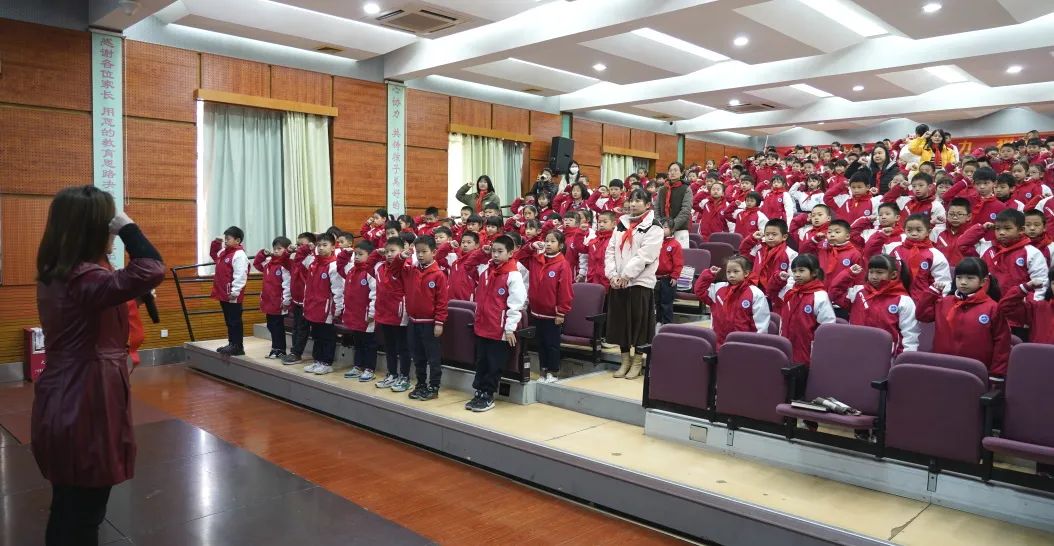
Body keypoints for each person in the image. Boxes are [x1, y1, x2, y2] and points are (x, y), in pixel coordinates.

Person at [34, 186, 164, 545]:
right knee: (83, 511)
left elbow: (91, 310)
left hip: (70, 390)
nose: (111, 231)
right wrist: (129, 229)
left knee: (70, 505)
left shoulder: (64, 271)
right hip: (85, 397)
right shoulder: (85, 277)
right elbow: (152, 267)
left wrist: (130, 297)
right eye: (108, 224)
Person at [915, 258, 1011, 376]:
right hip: (942, 366)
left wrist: (997, 373)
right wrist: (931, 293)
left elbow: (1002, 343)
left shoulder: (993, 308)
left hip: (975, 371)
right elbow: (922, 316)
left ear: (983, 281)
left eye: (970, 278)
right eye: (959, 277)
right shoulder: (944, 302)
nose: (963, 282)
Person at [605, 189, 665, 380]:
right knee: (621, 323)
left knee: (639, 325)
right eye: (631, 200)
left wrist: (626, 275)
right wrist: (613, 275)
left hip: (640, 282)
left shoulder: (654, 227)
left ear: (648, 204)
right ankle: (625, 361)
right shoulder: (621, 224)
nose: (633, 204)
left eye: (638, 200)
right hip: (618, 282)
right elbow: (610, 251)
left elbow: (646, 256)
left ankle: (637, 362)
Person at [466, 235, 527, 412]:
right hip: (482, 326)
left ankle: (488, 394)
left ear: (510, 253)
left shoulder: (513, 275)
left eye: (500, 251)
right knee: (481, 361)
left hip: (498, 329)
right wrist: (481, 252)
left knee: (494, 364)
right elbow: (467, 266)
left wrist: (509, 328)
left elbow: (516, 304)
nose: (496, 255)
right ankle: (479, 391)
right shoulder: (486, 269)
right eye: (493, 251)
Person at [829, 255, 920, 355]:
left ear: (893, 274)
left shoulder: (903, 300)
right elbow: (834, 294)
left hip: (886, 357)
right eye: (871, 272)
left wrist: (903, 359)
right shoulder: (858, 292)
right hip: (855, 351)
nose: (874, 276)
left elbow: (910, 334)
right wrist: (848, 274)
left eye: (879, 272)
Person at [515, 231, 574, 384]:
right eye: (546, 241)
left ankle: (553, 372)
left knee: (551, 344)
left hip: (552, 314)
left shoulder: (563, 265)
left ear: (560, 245)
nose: (548, 244)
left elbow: (565, 291)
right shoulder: (536, 259)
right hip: (536, 311)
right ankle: (543, 370)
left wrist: (561, 312)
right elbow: (519, 256)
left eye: (552, 241)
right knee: (540, 344)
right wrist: (530, 246)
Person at [693, 256, 771, 346]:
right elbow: (699, 291)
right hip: (719, 342)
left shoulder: (756, 293)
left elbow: (761, 324)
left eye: (735, 271)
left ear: (746, 273)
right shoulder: (718, 288)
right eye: (728, 272)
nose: (731, 275)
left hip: (744, 345)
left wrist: (755, 345)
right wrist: (708, 275)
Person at [773, 253, 836, 365]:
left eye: (801, 271)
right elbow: (771, 293)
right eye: (794, 271)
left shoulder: (820, 296)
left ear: (814, 273)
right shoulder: (790, 292)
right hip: (786, 347)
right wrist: (777, 279)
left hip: (807, 351)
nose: (797, 275)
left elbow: (827, 327)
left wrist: (817, 350)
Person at [368, 237, 413, 391]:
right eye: (386, 251)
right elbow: (366, 266)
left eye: (392, 251)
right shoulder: (380, 267)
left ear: (401, 251)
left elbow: (397, 266)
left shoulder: (404, 266)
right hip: (384, 313)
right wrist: (376, 253)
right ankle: (392, 374)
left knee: (403, 347)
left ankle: (404, 377)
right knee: (389, 347)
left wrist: (400, 257)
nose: (388, 254)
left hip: (399, 315)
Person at [298, 232, 344, 375]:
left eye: (325, 245)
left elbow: (338, 290)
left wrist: (337, 308)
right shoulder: (313, 264)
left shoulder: (334, 265)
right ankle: (317, 360)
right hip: (313, 306)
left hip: (326, 309)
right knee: (316, 335)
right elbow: (306, 282)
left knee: (327, 336)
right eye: (319, 245)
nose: (321, 248)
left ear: (333, 247)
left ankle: (326, 363)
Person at [336, 240, 379, 382]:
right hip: (354, 315)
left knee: (369, 344)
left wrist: (372, 313)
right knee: (358, 342)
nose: (357, 257)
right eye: (355, 254)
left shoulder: (371, 272)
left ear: (370, 256)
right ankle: (358, 366)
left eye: (361, 254)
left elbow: (375, 295)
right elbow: (340, 266)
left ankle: (369, 368)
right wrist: (345, 253)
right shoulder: (351, 270)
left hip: (367, 317)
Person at [253, 236, 292, 359]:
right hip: (268, 300)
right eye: (274, 248)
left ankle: (280, 349)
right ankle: (275, 348)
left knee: (277, 326)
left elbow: (287, 284)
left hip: (278, 301)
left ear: (286, 250)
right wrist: (262, 254)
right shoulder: (268, 262)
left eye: (279, 248)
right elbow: (257, 264)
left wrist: (286, 300)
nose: (276, 251)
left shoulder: (285, 265)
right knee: (271, 325)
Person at [282, 232, 317, 365]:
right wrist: (287, 252)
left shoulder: (311, 259)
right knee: (296, 327)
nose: (298, 247)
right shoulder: (296, 258)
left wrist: (307, 249)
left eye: (301, 245)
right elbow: (283, 262)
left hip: (306, 300)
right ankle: (294, 352)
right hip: (296, 299)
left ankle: (297, 353)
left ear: (310, 245)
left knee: (302, 328)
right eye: (297, 244)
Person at [654, 161, 693, 248]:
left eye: (675, 170)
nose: (672, 172)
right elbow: (656, 209)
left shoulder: (686, 189)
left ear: (682, 173)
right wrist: (661, 225)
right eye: (670, 170)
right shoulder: (662, 189)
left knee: (681, 255)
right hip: (663, 229)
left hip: (680, 229)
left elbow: (686, 211)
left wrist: (671, 227)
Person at [654, 219, 684, 329]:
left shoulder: (675, 245)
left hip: (668, 279)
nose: (662, 229)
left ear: (672, 229)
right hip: (655, 278)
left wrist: (675, 276)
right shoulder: (655, 242)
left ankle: (667, 325)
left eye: (665, 227)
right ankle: (658, 322)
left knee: (666, 303)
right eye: (661, 227)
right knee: (657, 302)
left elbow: (678, 263)